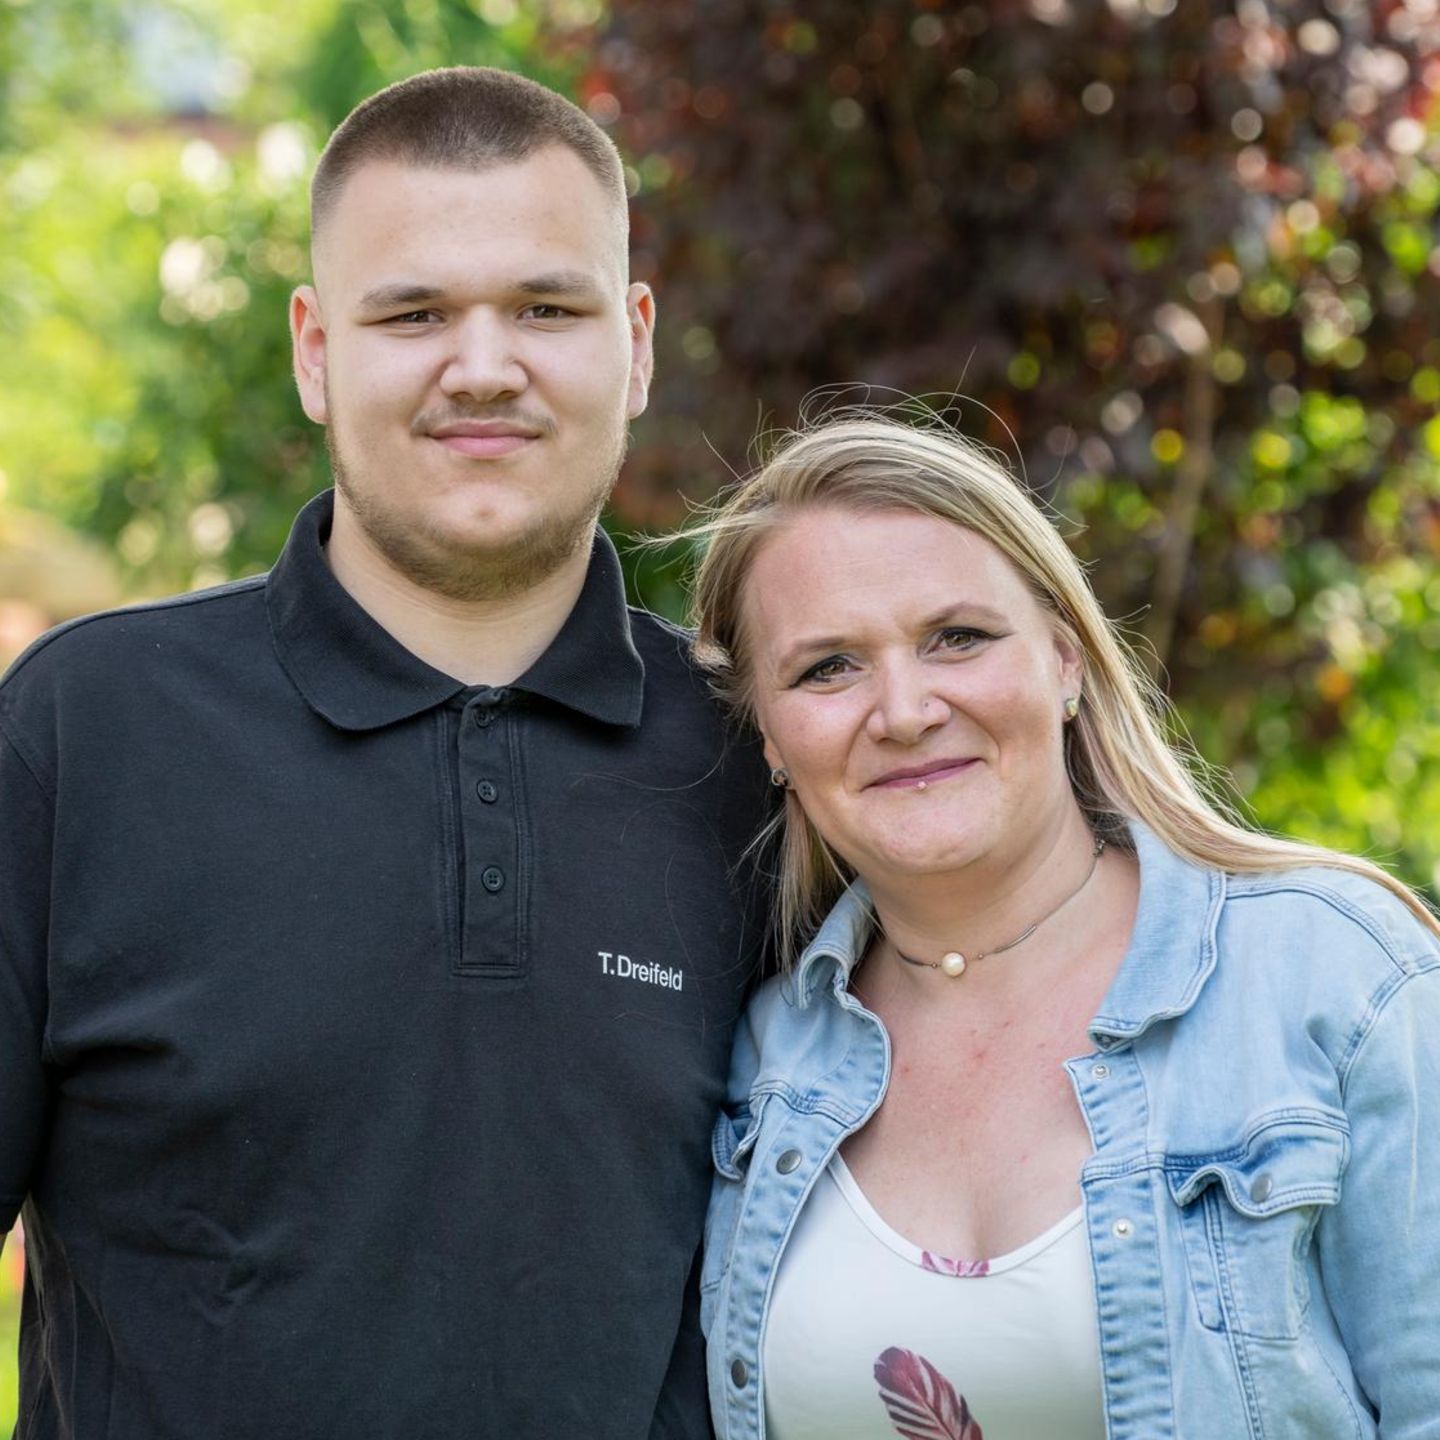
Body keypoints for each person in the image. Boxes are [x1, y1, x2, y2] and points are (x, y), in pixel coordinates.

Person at [0, 68, 770, 1438]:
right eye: (413, 313)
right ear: (313, 349)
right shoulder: (81, 735)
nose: (483, 365)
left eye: (547, 307)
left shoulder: (762, 764)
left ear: (635, 342)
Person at [683, 414, 1440, 1439]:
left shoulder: (1337, 982)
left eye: (958, 637)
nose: (905, 710)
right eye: (828, 668)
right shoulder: (758, 1055)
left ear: (1066, 658)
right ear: (768, 735)